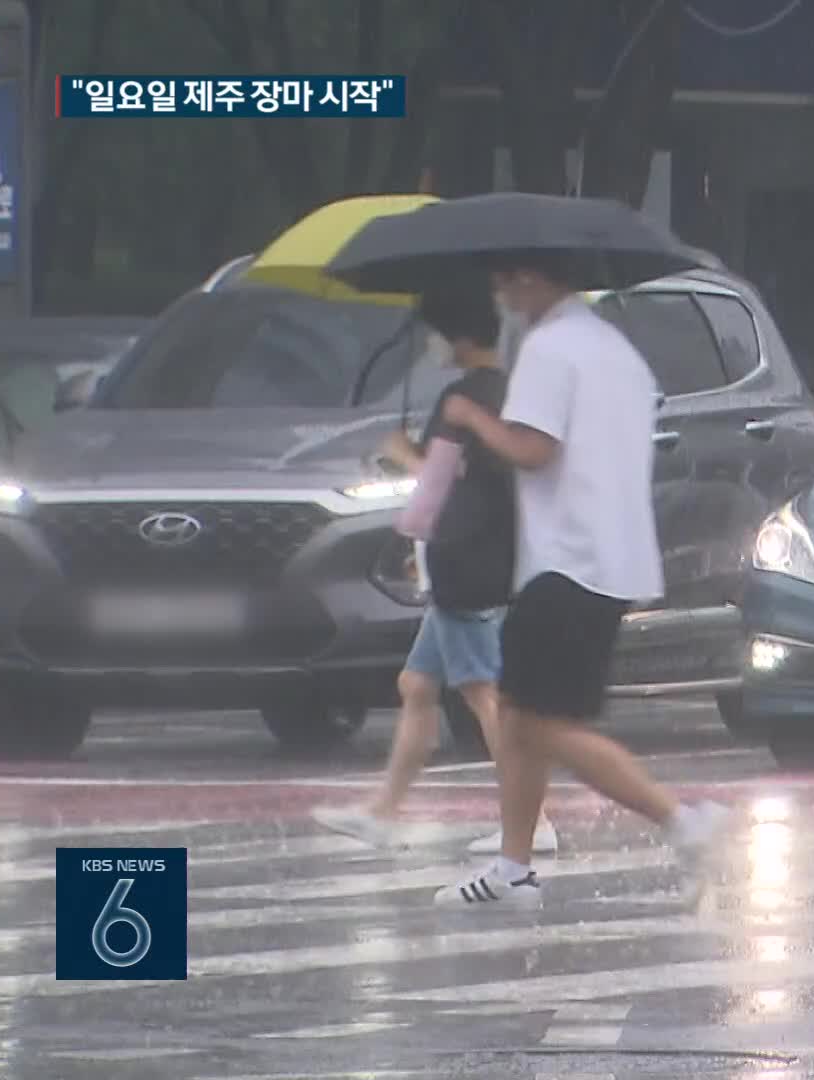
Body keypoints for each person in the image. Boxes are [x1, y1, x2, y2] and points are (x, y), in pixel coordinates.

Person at [430, 249, 728, 909]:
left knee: (541, 724)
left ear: (532, 275)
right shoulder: (615, 349)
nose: (501, 294)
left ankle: (681, 819)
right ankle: (513, 867)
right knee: (518, 712)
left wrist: (471, 419)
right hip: (610, 556)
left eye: (506, 278)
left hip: (567, 559)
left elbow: (534, 449)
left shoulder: (550, 348)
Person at [310, 276, 556, 853]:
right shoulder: (510, 392)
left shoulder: (462, 400)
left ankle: (533, 822)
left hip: (461, 564)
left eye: (434, 335)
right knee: (417, 684)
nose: (430, 348)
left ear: (456, 336)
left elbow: (436, 481)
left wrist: (398, 453)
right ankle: (384, 812)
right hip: (492, 555)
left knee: (484, 698)